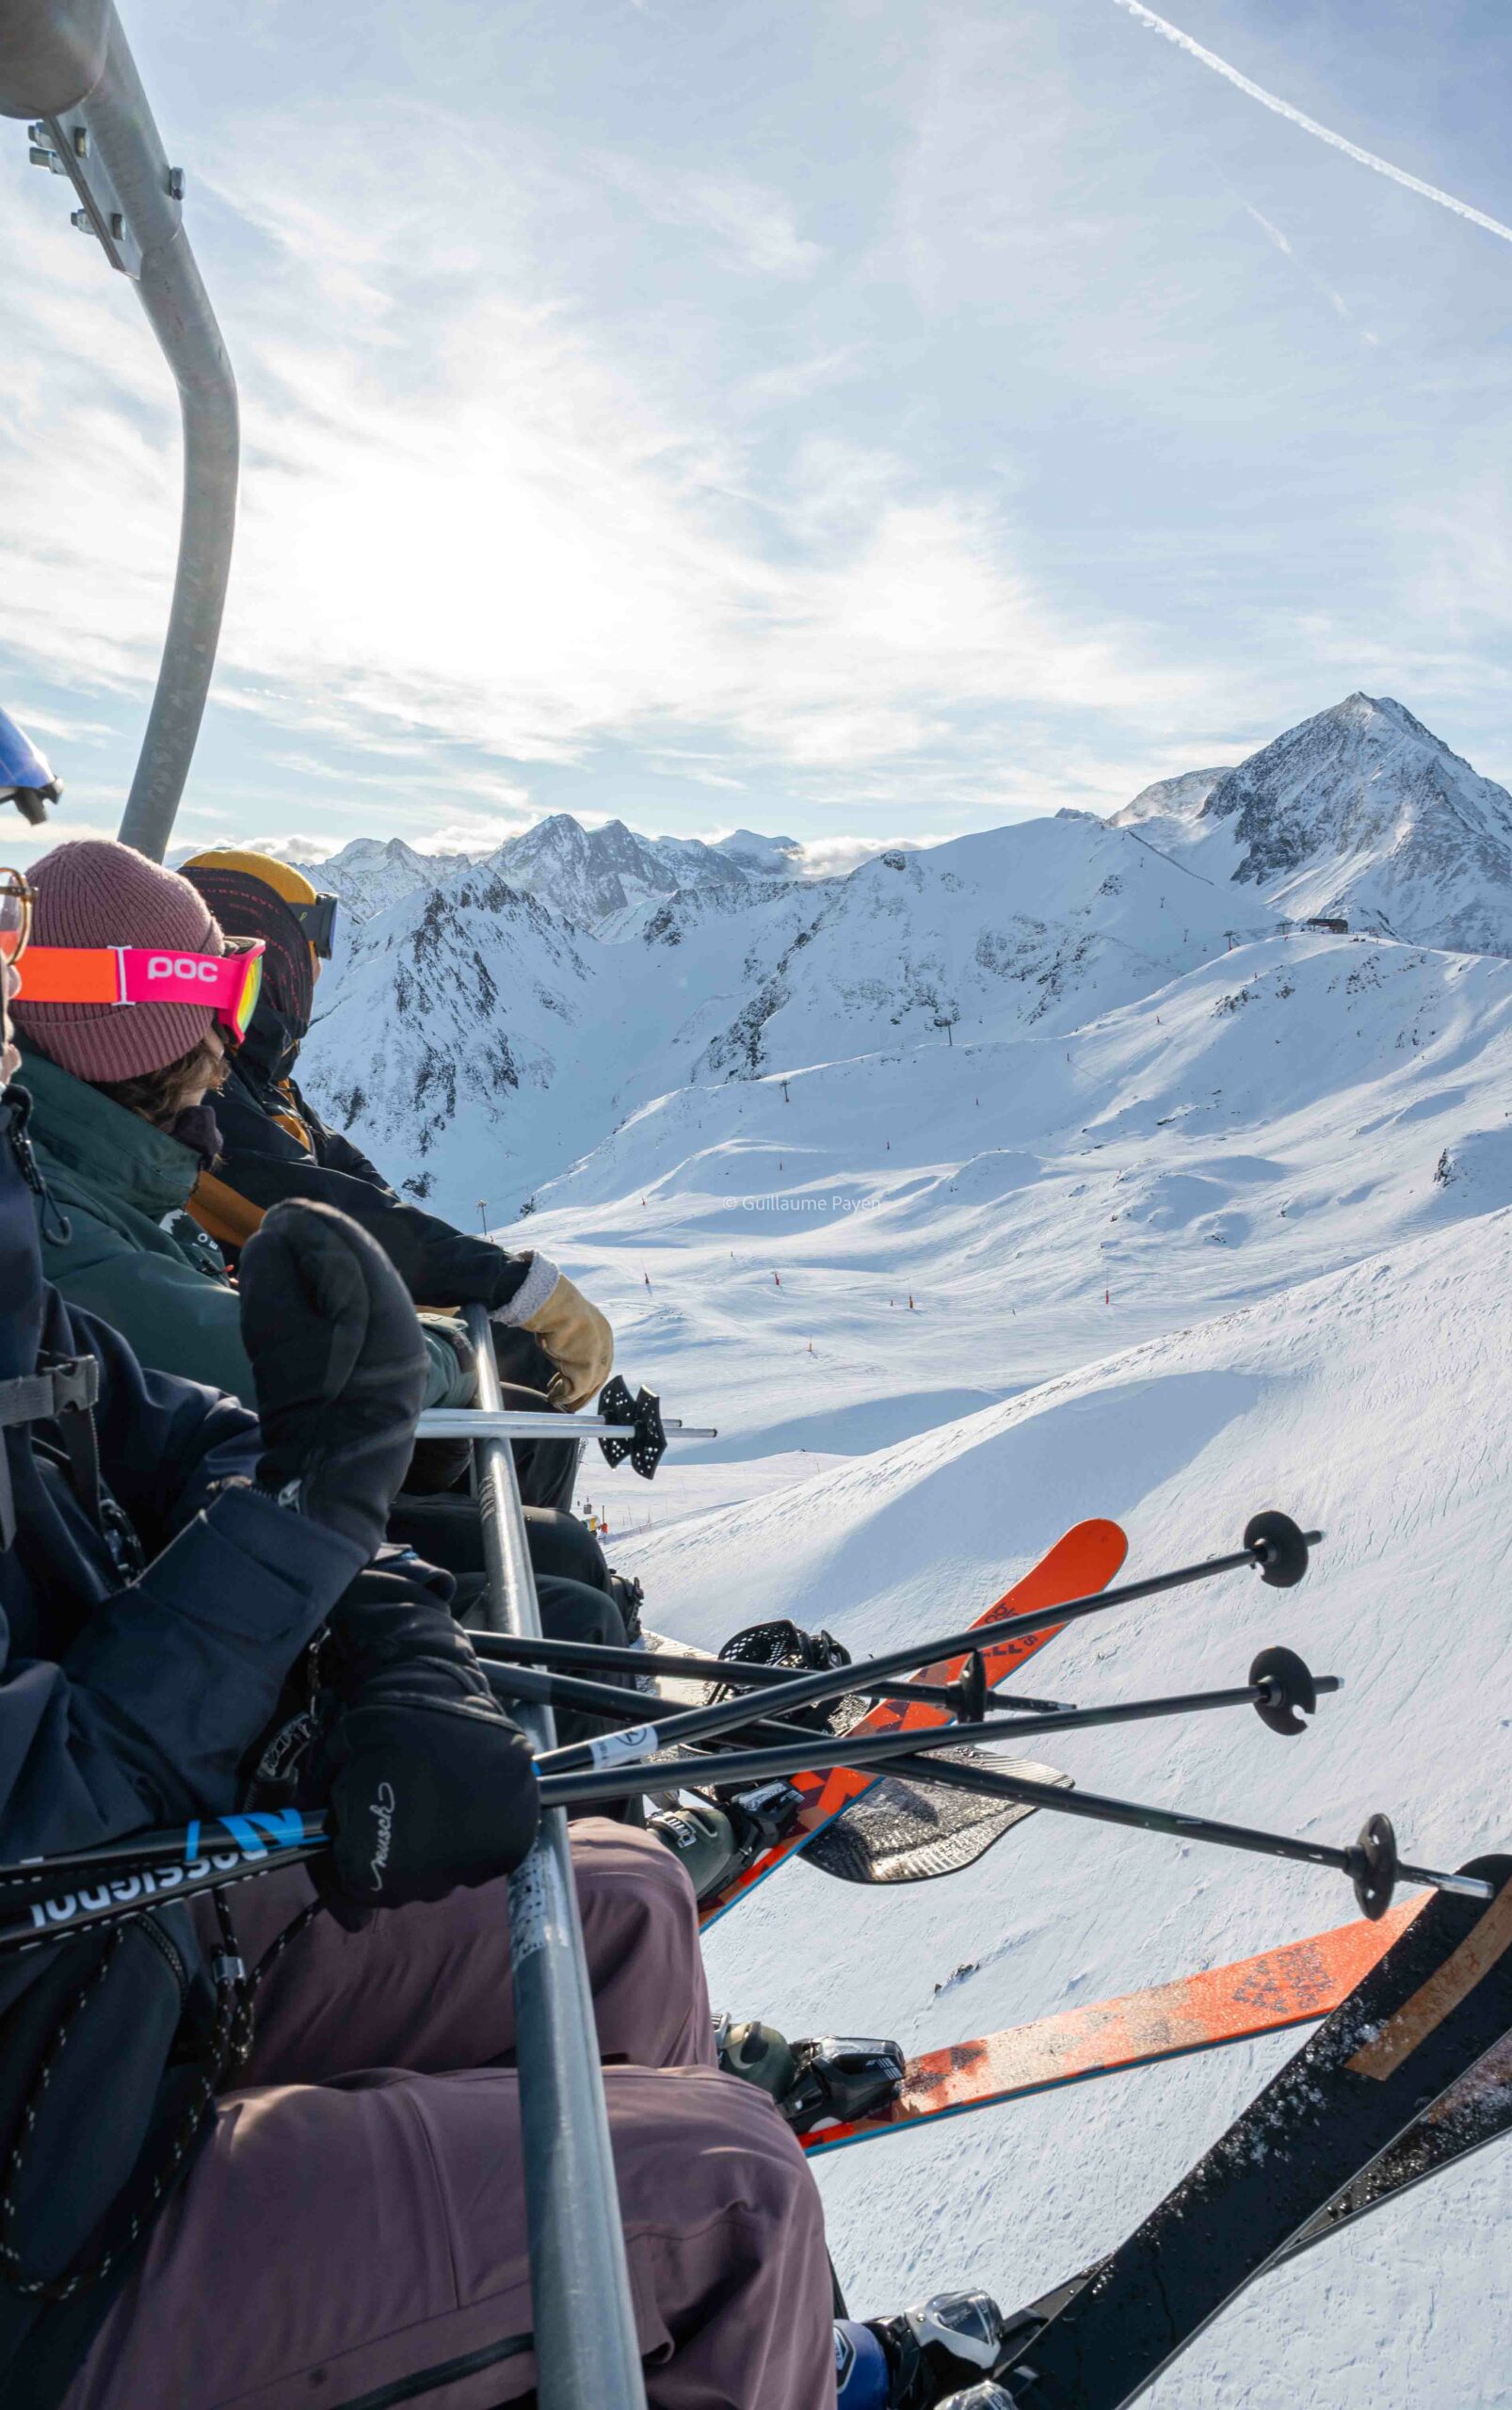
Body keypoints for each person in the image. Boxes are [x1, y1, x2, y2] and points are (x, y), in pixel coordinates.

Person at [0, 880, 993, 2410]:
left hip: (104, 2006)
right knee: (731, 2193)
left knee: (620, 1913)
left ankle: (747, 2364)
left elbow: (175, 1437)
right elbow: (41, 1813)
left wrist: (383, 1633)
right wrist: (304, 1543)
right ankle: (703, 2313)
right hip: (44, 2213)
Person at [8, 839, 626, 1678]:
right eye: (231, 992)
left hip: (156, 1520)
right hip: (139, 1588)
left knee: (556, 1562)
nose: (232, 1044)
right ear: (168, 1020)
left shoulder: (87, 1163)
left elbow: (344, 1190)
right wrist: (427, 1344)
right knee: (563, 1597)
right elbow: (263, 1366)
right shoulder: (51, 1218)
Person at [180, 846, 614, 1520]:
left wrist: (475, 1280)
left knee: (513, 1383)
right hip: (253, 1358)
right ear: (267, 954)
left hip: (290, 1334)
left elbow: (358, 1186)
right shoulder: (195, 1086)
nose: (318, 974)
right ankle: (514, 1574)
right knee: (513, 1375)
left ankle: (535, 1554)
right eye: (308, 955)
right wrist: (511, 1286)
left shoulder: (262, 1085)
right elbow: (318, 1209)